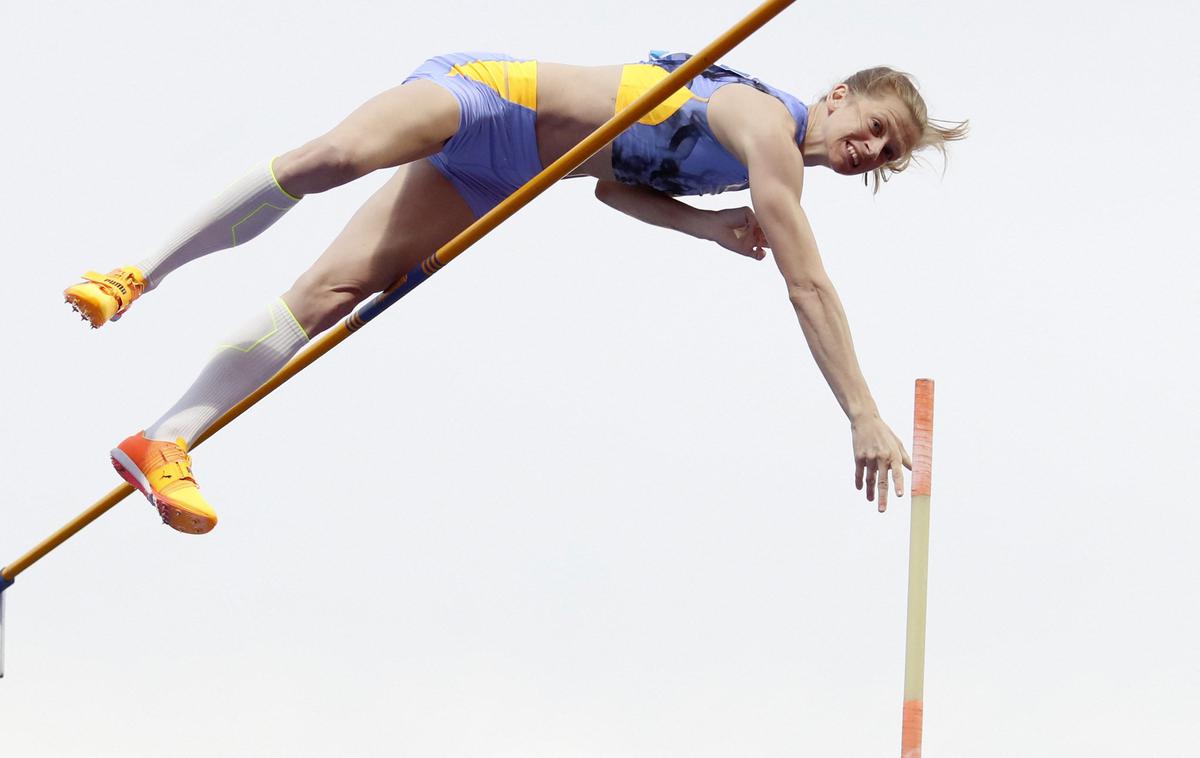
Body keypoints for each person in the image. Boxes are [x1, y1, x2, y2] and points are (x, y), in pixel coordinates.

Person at [63, 51, 967, 534]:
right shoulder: (767, 127)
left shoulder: (749, 165)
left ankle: (163, 439)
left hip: (503, 176)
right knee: (330, 158)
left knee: (331, 293)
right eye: (877, 129)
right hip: (490, 99)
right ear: (841, 97)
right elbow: (806, 281)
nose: (873, 151)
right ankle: (136, 272)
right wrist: (860, 410)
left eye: (888, 155)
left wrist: (706, 226)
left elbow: (616, 184)